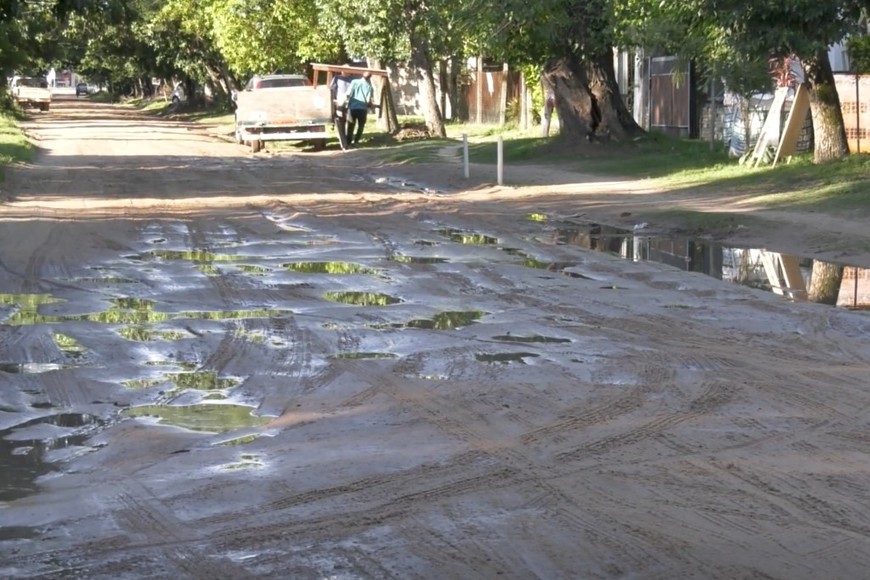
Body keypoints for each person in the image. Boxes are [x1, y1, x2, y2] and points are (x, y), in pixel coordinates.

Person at [345, 71, 375, 146]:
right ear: (369, 78)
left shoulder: (354, 82)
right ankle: (356, 141)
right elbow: (368, 100)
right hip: (362, 109)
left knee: (351, 125)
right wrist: (370, 105)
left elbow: (348, 94)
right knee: (361, 126)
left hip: (352, 107)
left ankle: (348, 142)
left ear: (362, 75)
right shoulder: (369, 87)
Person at [330, 70, 354, 150]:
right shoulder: (337, 78)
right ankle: (343, 141)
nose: (349, 73)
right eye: (346, 71)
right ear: (342, 71)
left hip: (350, 103)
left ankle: (348, 140)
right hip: (339, 103)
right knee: (340, 121)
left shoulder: (352, 80)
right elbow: (332, 88)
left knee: (350, 122)